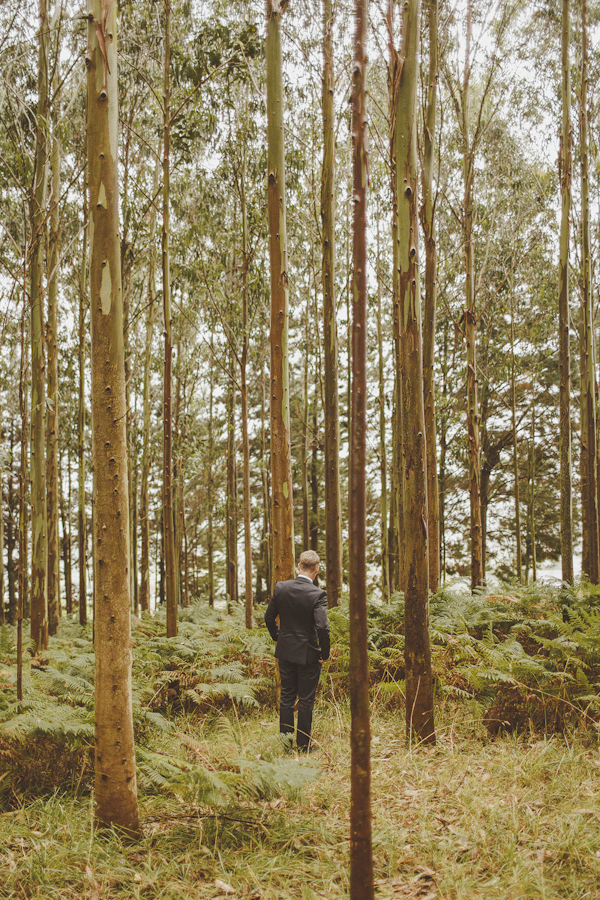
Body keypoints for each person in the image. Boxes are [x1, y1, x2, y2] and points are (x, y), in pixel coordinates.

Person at [264, 550, 330, 752]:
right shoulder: (318, 594)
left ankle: (285, 744)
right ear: (317, 569)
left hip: (285, 652)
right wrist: (324, 653)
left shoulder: (281, 588)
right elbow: (322, 627)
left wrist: (279, 637)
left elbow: (268, 618)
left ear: (299, 567)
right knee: (306, 700)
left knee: (286, 697)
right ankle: (303, 746)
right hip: (309, 654)